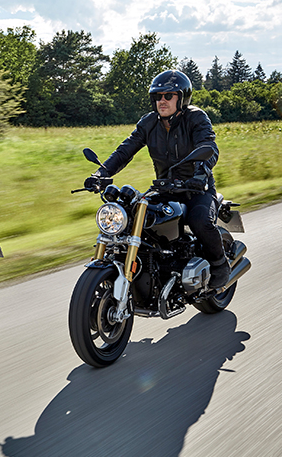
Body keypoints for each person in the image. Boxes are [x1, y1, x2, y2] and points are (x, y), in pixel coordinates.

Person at [84, 69, 230, 291]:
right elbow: (125, 150)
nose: (162, 101)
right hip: (164, 188)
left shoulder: (196, 118)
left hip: (197, 189)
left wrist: (201, 173)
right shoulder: (149, 123)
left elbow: (208, 146)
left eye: (168, 96)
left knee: (200, 220)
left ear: (181, 98)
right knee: (134, 219)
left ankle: (220, 265)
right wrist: (101, 174)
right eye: (157, 96)